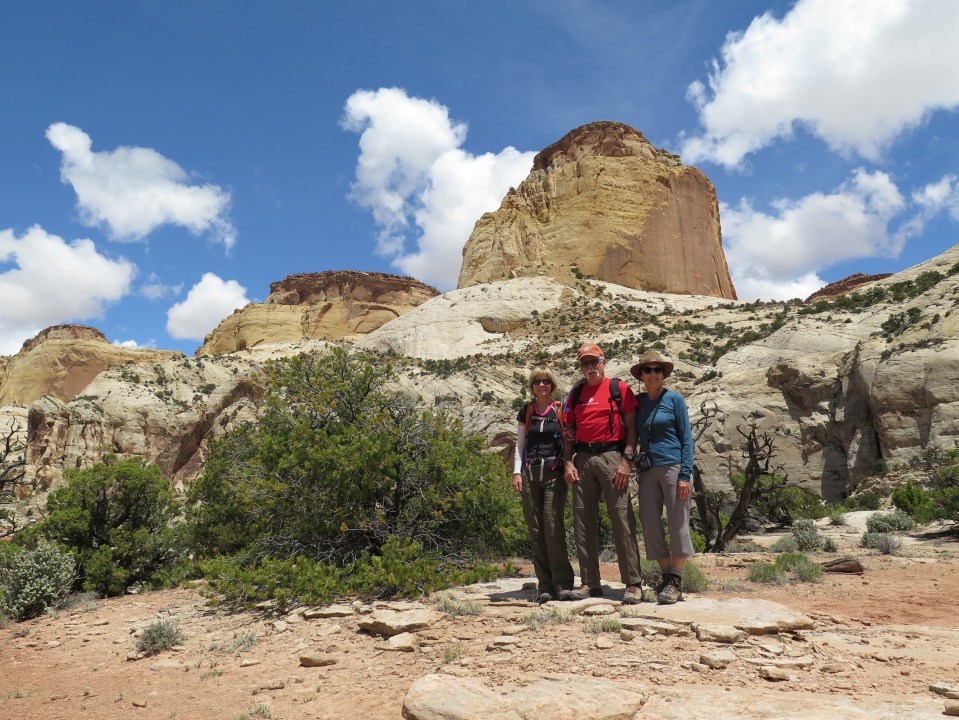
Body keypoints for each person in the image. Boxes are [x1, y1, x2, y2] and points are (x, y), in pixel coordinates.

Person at [561, 343, 644, 604]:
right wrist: (567, 462)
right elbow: (568, 433)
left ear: (603, 362)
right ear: (580, 367)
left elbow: (632, 428)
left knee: (622, 519)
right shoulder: (575, 395)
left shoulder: (617, 389)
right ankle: (589, 583)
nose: (589, 368)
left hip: (612, 457)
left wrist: (626, 460)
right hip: (583, 458)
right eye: (584, 364)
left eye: (593, 362)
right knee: (582, 522)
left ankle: (632, 583)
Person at [630, 350, 695, 604]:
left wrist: (685, 475)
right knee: (650, 523)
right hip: (647, 470)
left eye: (658, 370)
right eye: (648, 370)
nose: (653, 374)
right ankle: (666, 576)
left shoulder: (675, 400)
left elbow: (686, 438)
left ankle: (676, 579)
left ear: (663, 374)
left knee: (678, 521)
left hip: (673, 467)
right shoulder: (638, 402)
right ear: (642, 375)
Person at [513, 365, 575, 603]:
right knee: (535, 529)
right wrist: (516, 473)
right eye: (537, 381)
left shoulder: (559, 410)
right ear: (531, 385)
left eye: (546, 381)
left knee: (552, 526)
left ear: (552, 385)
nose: (542, 385)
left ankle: (563, 583)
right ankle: (545, 585)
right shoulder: (526, 411)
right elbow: (520, 445)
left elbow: (570, 437)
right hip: (530, 473)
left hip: (553, 473)